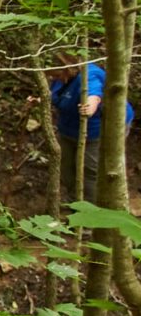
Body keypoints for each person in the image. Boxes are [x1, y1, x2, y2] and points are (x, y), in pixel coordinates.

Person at [43, 54, 134, 204]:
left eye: (57, 74)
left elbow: (94, 94)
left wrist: (90, 107)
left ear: (67, 68)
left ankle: (92, 210)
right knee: (67, 167)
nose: (54, 78)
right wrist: (40, 100)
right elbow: (55, 95)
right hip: (69, 129)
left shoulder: (88, 75)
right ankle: (75, 201)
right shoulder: (59, 80)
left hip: (96, 131)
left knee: (90, 171)